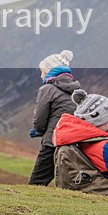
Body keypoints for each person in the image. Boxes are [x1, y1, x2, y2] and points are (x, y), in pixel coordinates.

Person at [28, 50, 80, 186]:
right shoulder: (76, 91)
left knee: (36, 183)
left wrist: (38, 130)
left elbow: (39, 120)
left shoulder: (47, 89)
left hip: (52, 142)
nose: (41, 76)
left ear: (51, 72)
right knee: (67, 183)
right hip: (72, 144)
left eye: (43, 72)